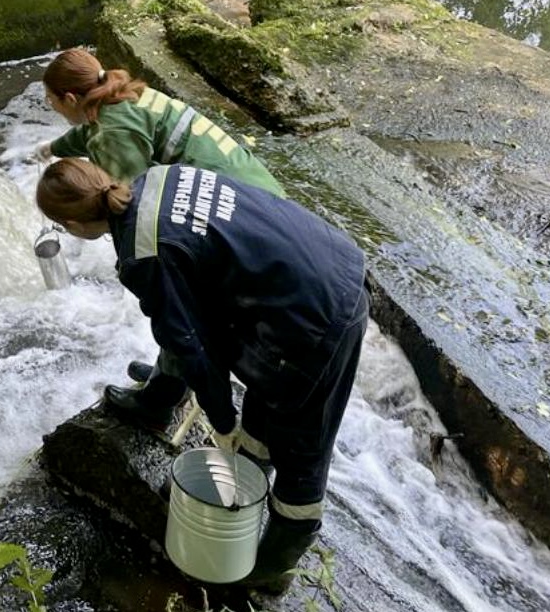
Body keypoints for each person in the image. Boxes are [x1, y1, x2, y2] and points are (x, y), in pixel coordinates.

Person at [36, 158, 369, 593]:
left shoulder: (145, 253)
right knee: (263, 409)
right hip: (324, 264)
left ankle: (269, 571)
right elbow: (184, 316)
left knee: (301, 448)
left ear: (73, 223)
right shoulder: (156, 179)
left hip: (318, 318)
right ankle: (220, 469)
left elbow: (192, 345)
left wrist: (221, 419)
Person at [34, 48, 288, 428]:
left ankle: (160, 399)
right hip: (262, 199)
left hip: (239, 221)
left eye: (50, 102)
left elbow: (136, 213)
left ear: (70, 99)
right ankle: (168, 376)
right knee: (183, 296)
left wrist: (134, 264)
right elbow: (92, 131)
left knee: (178, 295)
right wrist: (54, 149)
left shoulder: (113, 134)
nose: (51, 107)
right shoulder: (120, 95)